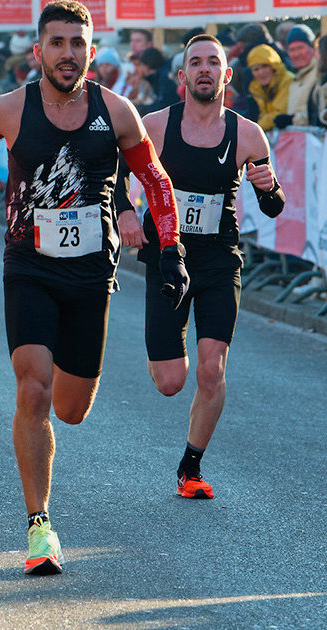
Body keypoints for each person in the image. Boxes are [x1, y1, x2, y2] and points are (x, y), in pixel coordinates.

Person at [0, 0, 189, 575]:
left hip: (91, 274)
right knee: (33, 389)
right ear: (38, 51)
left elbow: (156, 179)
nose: (67, 54)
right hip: (31, 268)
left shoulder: (116, 111)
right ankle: (39, 529)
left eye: (78, 43)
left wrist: (169, 249)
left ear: (91, 52)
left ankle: (46, 488)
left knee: (71, 409)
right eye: (57, 43)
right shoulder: (9, 110)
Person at [116, 35, 284, 500]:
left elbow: (273, 206)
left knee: (212, 370)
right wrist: (126, 212)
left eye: (214, 62)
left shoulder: (247, 134)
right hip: (167, 256)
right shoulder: (156, 125)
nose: (205, 69)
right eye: (196, 62)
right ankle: (165, 347)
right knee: (171, 381)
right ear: (183, 75)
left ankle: (190, 468)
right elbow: (115, 172)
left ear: (227, 75)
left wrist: (270, 188)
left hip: (218, 259)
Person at [277, 25, 317, 129]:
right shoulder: (295, 80)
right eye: (291, 50)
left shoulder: (320, 75)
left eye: (300, 48)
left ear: (312, 48)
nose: (296, 54)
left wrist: (292, 120)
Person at [247, 43, 293, 131]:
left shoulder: (287, 81)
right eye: (256, 69)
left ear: (274, 67)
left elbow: (279, 113)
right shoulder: (257, 88)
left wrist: (255, 128)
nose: (261, 72)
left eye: (265, 66)